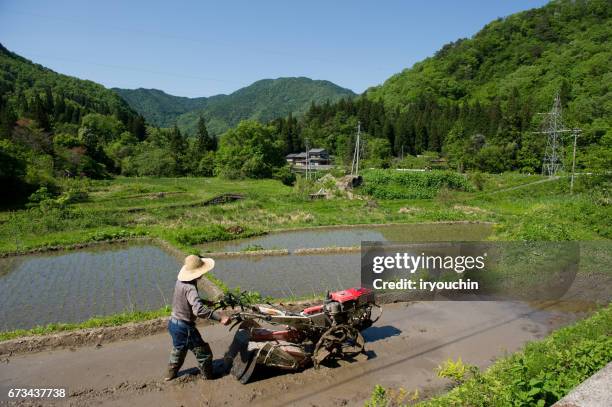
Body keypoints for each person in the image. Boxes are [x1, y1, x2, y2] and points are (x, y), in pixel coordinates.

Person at [165, 255, 230, 381]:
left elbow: (187, 300)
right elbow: (198, 310)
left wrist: (205, 302)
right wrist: (220, 318)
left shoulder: (181, 282)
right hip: (185, 328)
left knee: (179, 350)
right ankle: (208, 378)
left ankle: (169, 376)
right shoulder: (190, 287)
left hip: (173, 324)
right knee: (204, 354)